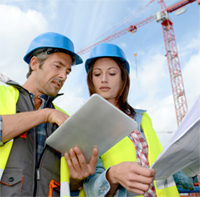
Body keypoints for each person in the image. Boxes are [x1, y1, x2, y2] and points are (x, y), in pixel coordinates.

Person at [81, 43, 188, 197]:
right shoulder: (86, 125)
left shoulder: (143, 118)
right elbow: (90, 189)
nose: (104, 79)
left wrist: (191, 164)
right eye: (97, 74)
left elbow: (162, 168)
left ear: (123, 78)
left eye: (112, 73)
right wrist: (112, 175)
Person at [0, 32, 98, 197]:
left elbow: (69, 184)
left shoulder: (64, 118)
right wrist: (45, 115)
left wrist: (78, 178)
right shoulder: (3, 94)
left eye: (67, 71)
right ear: (34, 63)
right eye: (58, 66)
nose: (63, 76)